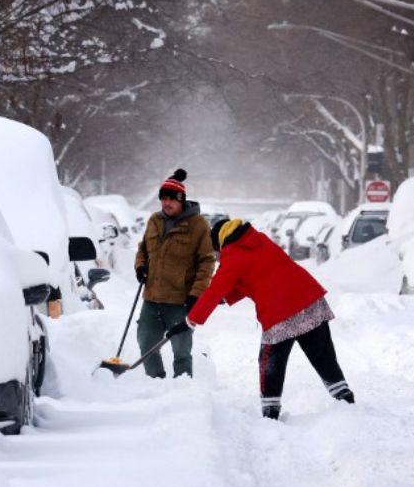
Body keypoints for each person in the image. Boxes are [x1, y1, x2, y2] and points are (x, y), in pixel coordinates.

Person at [186, 218, 355, 419]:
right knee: (322, 356)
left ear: (219, 243)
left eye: (216, 251)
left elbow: (216, 288)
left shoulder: (233, 254)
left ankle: (270, 412)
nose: (217, 255)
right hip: (310, 301)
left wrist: (191, 319)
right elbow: (254, 277)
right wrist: (225, 298)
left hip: (280, 313)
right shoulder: (258, 239)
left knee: (270, 362)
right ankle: (346, 402)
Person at [134, 168, 215, 378]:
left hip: (180, 300)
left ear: (182, 200)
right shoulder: (154, 220)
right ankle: (156, 382)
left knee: (181, 350)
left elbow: (206, 262)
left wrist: (196, 293)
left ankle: (183, 391)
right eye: (163, 199)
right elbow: (142, 249)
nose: (166, 203)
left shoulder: (198, 225)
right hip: (152, 298)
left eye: (172, 199)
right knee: (146, 343)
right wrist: (140, 267)